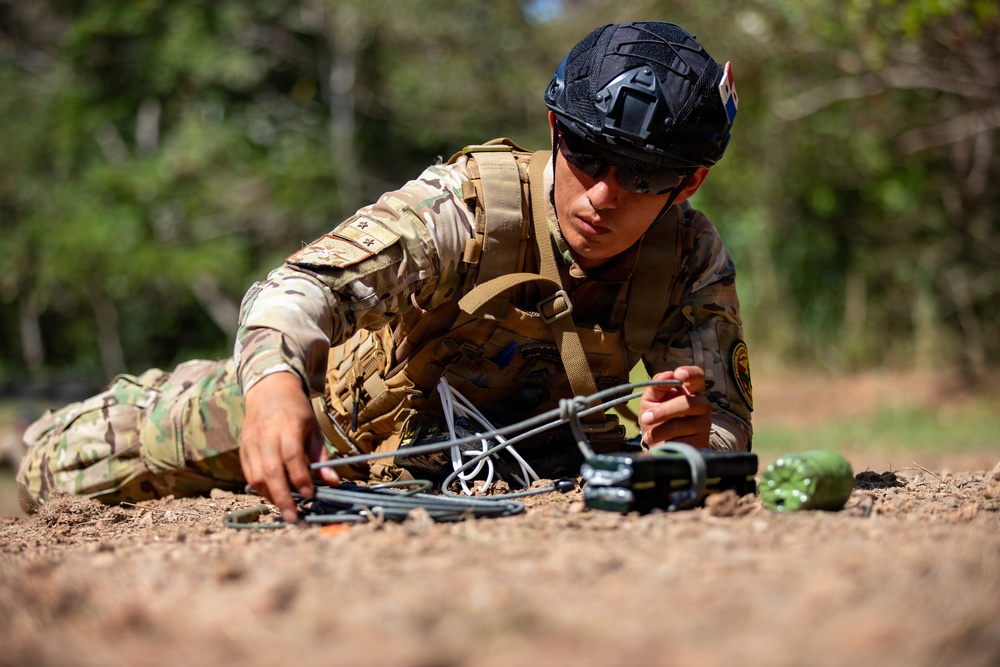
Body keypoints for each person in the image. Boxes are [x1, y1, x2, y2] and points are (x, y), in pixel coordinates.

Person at [17, 21, 753, 523]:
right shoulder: (468, 209)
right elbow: (300, 287)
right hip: (330, 420)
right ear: (557, 131)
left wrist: (688, 437)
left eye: (641, 175)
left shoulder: (687, 257)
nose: (602, 194)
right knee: (61, 469)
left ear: (686, 183)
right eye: (588, 156)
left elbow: (723, 429)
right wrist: (275, 392)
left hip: (511, 456)